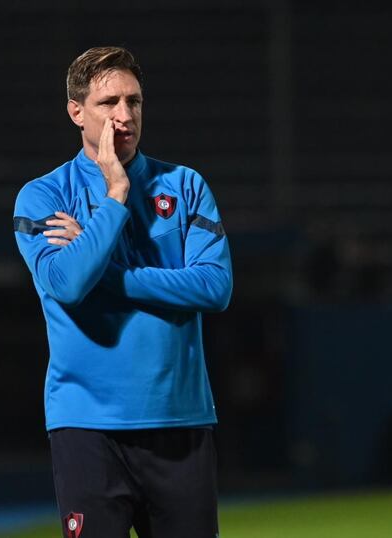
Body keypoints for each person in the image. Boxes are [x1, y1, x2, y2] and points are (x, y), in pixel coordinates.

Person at [12, 46, 232, 538]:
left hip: (178, 419)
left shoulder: (185, 185)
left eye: (133, 101)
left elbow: (215, 287)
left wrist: (108, 272)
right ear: (76, 112)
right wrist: (115, 194)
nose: (124, 115)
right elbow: (67, 284)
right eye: (108, 102)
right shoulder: (45, 194)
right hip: (86, 424)